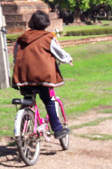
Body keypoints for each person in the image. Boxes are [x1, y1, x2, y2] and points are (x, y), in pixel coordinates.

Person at [13, 10, 73, 139]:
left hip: (24, 78)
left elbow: (15, 57)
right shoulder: (48, 38)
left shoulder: (20, 39)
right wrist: (68, 59)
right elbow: (60, 54)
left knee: (28, 100)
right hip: (43, 79)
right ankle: (57, 130)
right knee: (49, 101)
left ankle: (23, 126)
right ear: (46, 23)